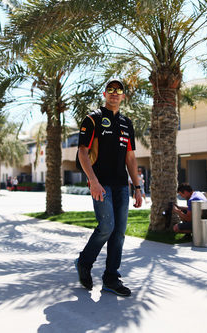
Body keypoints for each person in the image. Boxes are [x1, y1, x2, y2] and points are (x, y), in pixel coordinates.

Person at [74, 78, 142, 297]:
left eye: (119, 90)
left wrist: (138, 187)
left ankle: (111, 278)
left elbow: (130, 157)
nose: (114, 93)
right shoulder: (93, 119)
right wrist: (93, 181)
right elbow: (82, 151)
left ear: (123, 96)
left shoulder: (127, 123)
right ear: (105, 94)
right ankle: (85, 262)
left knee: (119, 233)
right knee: (107, 226)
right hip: (100, 184)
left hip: (122, 185)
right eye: (111, 90)